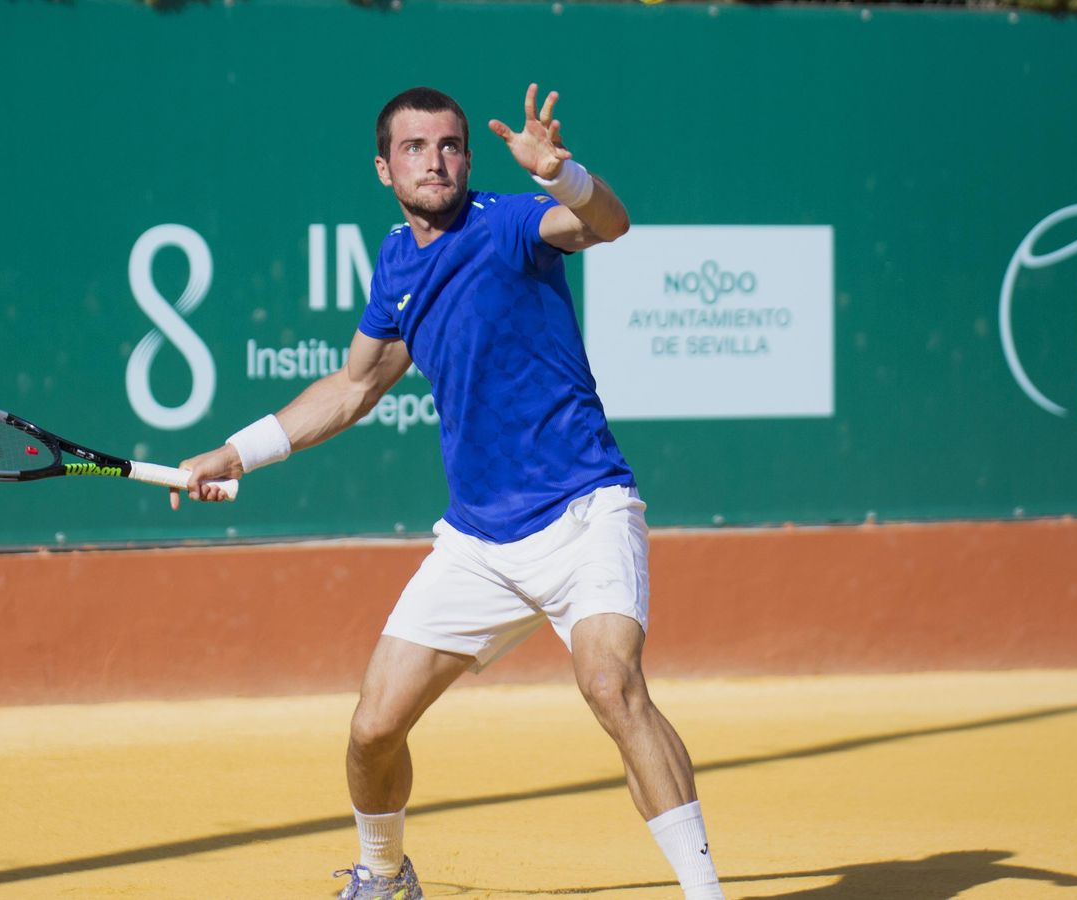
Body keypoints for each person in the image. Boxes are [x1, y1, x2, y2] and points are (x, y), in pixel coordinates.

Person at [170, 84, 724, 900]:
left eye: (451, 145)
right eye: (416, 148)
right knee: (372, 730)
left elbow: (608, 223)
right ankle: (385, 875)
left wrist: (563, 176)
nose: (437, 160)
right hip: (478, 543)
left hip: (583, 510)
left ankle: (705, 893)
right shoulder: (397, 264)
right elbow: (355, 387)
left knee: (612, 684)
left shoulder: (507, 223)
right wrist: (234, 454)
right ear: (384, 168)